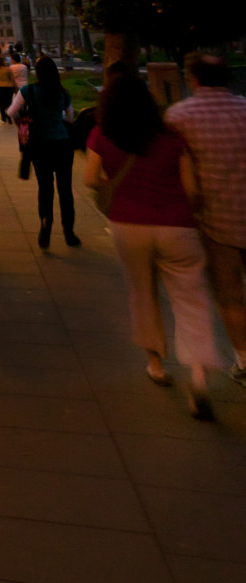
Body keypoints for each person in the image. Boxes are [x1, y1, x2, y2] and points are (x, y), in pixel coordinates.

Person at [87, 70, 220, 419]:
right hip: (177, 226)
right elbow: (191, 190)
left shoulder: (102, 135)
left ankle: (156, 364)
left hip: (128, 224)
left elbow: (90, 178)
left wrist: (116, 183)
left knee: (141, 292)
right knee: (190, 299)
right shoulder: (171, 137)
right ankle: (199, 375)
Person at [167, 53, 246, 389]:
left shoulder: (179, 116)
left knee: (230, 297)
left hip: (215, 223)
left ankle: (244, 360)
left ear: (192, 78)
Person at [11, 53, 78, 248]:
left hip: (40, 147)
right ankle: (69, 232)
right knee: (65, 189)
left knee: (45, 188)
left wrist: (22, 125)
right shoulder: (63, 92)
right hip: (62, 145)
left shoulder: (28, 91)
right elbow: (70, 117)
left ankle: (46, 226)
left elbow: (12, 111)